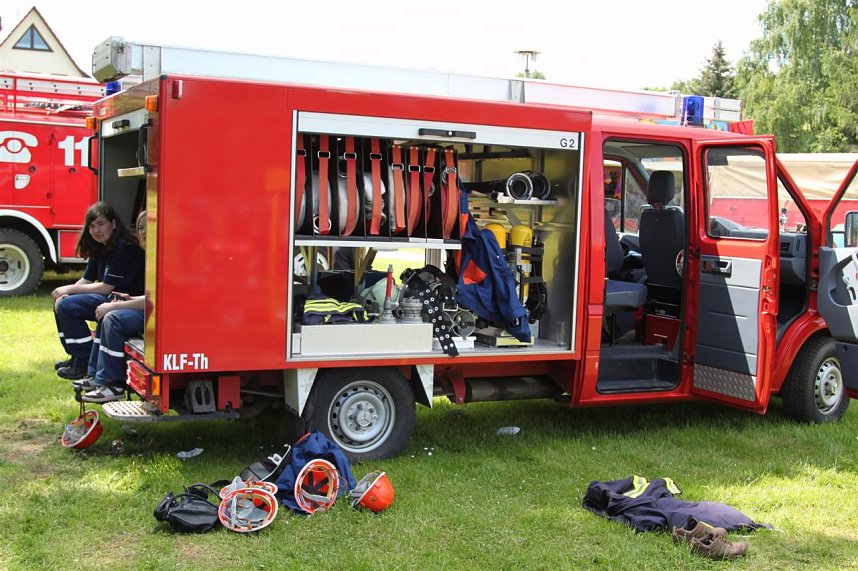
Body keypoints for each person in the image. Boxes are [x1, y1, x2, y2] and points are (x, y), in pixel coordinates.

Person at [52, 202, 144, 380]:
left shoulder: (125, 247)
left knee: (68, 306)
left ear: (113, 224)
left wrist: (68, 289)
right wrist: (65, 294)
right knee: (63, 302)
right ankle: (76, 356)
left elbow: (106, 287)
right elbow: (87, 279)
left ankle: (84, 360)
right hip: (109, 297)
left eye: (101, 224)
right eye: (92, 226)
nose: (96, 230)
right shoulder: (100, 247)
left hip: (124, 300)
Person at [74, 210, 148, 402]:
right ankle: (96, 377)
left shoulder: (163, 257)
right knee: (106, 312)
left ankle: (113, 384)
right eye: (141, 228)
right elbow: (150, 297)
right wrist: (127, 299)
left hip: (161, 315)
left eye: (150, 227)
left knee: (113, 318)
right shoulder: (148, 255)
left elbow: (156, 301)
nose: (145, 233)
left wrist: (116, 307)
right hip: (151, 308)